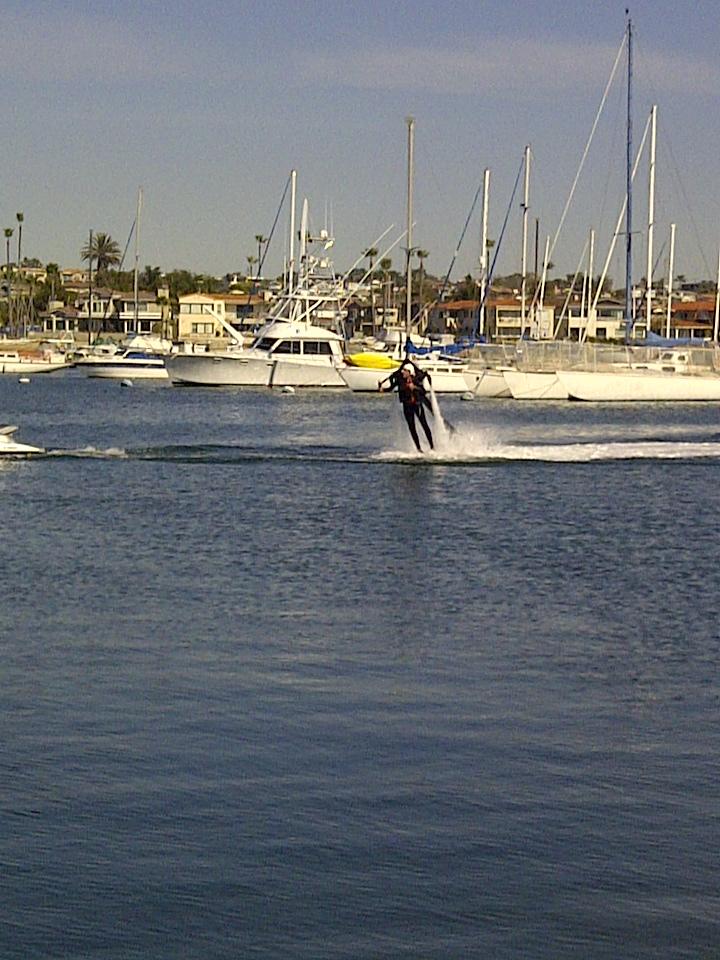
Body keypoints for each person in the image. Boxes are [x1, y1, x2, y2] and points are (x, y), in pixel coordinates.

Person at [379, 359, 434, 451]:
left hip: (417, 404)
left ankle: (432, 446)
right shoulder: (400, 380)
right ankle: (419, 449)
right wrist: (382, 389)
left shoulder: (416, 379)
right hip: (407, 405)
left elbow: (423, 391)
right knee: (411, 427)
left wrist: (414, 387)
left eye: (404, 371)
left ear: (409, 372)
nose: (402, 372)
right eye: (402, 370)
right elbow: (390, 388)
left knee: (424, 424)